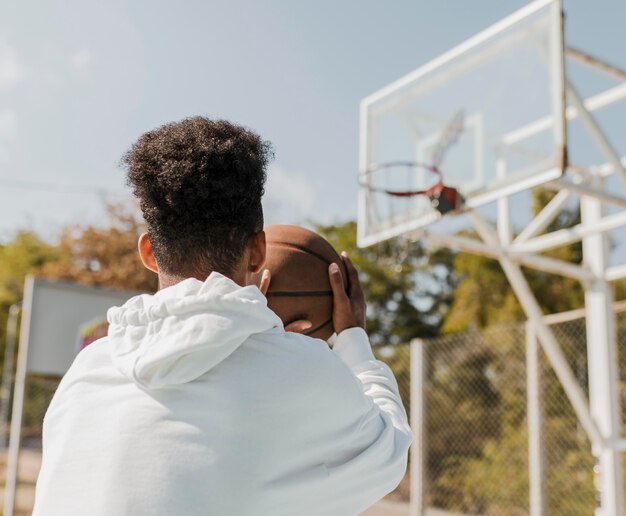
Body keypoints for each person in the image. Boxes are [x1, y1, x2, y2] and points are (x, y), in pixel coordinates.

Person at [33, 117, 412, 516]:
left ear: (147, 251)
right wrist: (351, 336)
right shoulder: (300, 370)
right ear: (258, 250)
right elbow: (388, 453)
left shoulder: (86, 373)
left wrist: (254, 329)